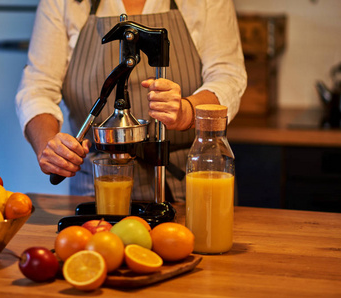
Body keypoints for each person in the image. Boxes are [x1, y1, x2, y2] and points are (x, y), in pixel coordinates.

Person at [15, 0, 247, 202]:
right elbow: (38, 87)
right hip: (94, 187)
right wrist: (50, 145)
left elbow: (227, 76)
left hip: (189, 187)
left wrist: (186, 111)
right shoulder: (67, 3)